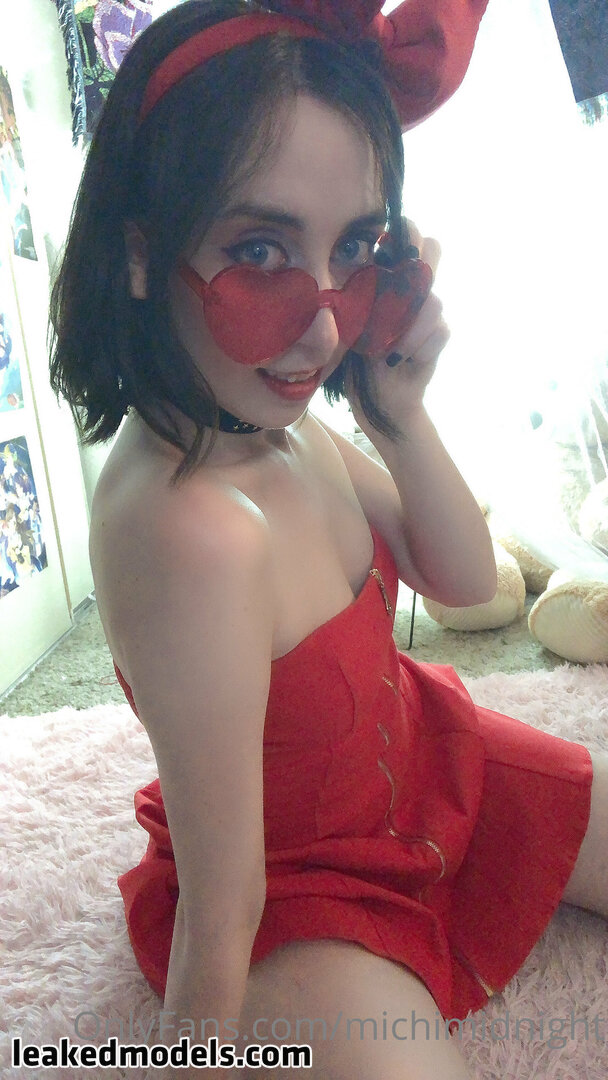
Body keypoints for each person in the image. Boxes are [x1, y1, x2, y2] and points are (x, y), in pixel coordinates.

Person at [49, 2, 607, 1077]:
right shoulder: (194, 531)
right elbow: (225, 903)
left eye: (353, 247)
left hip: (436, 763)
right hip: (299, 887)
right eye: (261, 250)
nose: (320, 326)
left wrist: (397, 411)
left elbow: (459, 580)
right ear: (138, 254)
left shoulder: (282, 424)